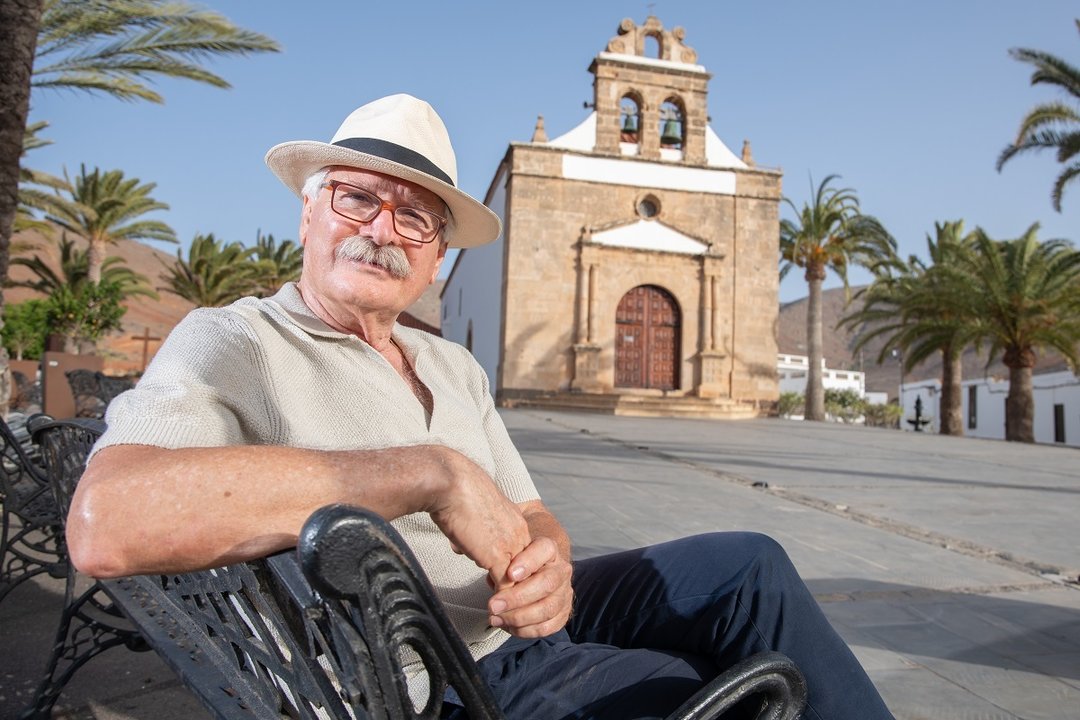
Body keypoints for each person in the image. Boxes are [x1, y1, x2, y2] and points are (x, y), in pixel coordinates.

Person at [67, 94, 893, 720]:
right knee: (702, 695)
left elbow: (532, 511)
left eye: (416, 216)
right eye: (357, 198)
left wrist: (551, 566)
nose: (383, 229)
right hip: (448, 665)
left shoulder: (449, 363)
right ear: (309, 215)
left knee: (749, 565)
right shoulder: (236, 341)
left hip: (513, 615)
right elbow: (106, 521)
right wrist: (426, 474)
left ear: (434, 262)